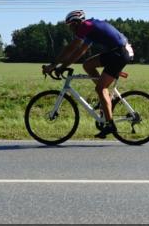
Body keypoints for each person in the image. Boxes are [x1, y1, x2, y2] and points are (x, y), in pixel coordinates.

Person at [42, 10, 135, 138]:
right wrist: (62, 66)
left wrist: (55, 65)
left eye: (71, 25)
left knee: (100, 88)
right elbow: (79, 52)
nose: (70, 29)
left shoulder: (86, 26)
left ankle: (110, 125)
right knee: (87, 65)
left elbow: (71, 48)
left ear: (77, 22)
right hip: (119, 51)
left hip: (119, 53)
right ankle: (107, 98)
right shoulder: (90, 29)